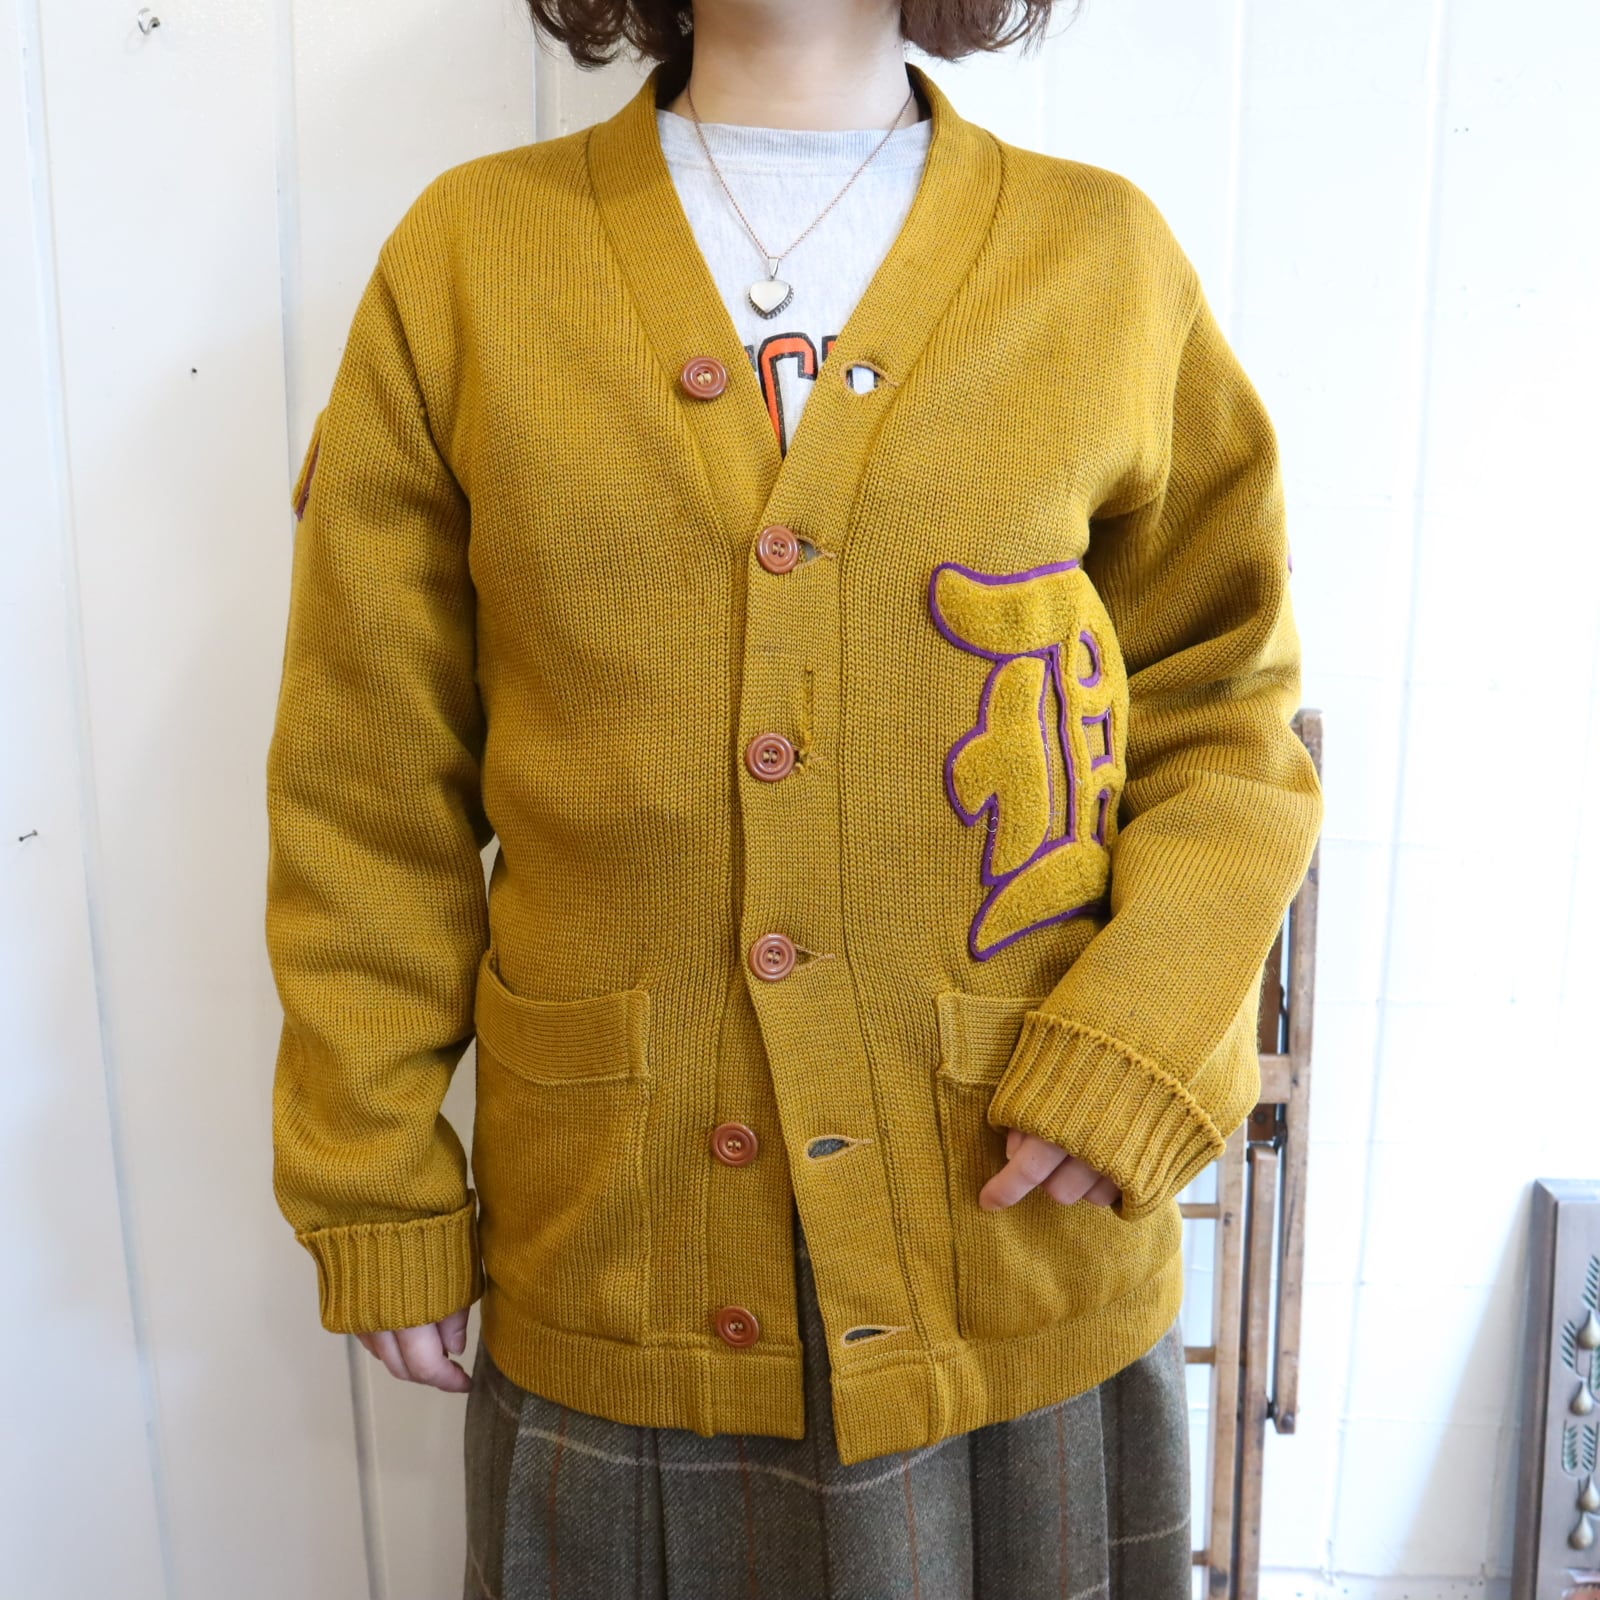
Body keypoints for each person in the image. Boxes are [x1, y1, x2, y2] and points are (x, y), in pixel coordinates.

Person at [263, 1, 1323, 1595]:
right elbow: (370, 779)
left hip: (1014, 1236)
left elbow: (1224, 710)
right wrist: (372, 1176)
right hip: (623, 1252)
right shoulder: (473, 259)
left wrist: (1140, 1046)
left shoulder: (1100, 258)